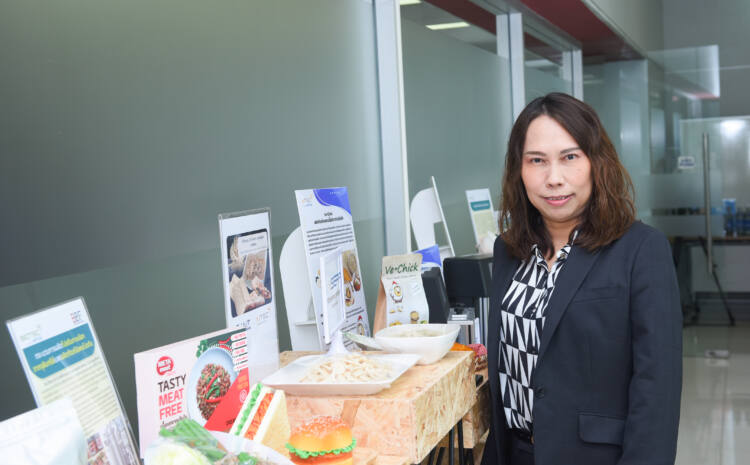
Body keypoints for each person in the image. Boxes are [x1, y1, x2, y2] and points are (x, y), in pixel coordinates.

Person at [481, 93, 682, 465]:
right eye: (537, 160)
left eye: (570, 157)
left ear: (596, 162)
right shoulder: (508, 250)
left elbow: (658, 388)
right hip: (515, 452)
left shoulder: (641, 249)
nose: (553, 179)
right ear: (518, 170)